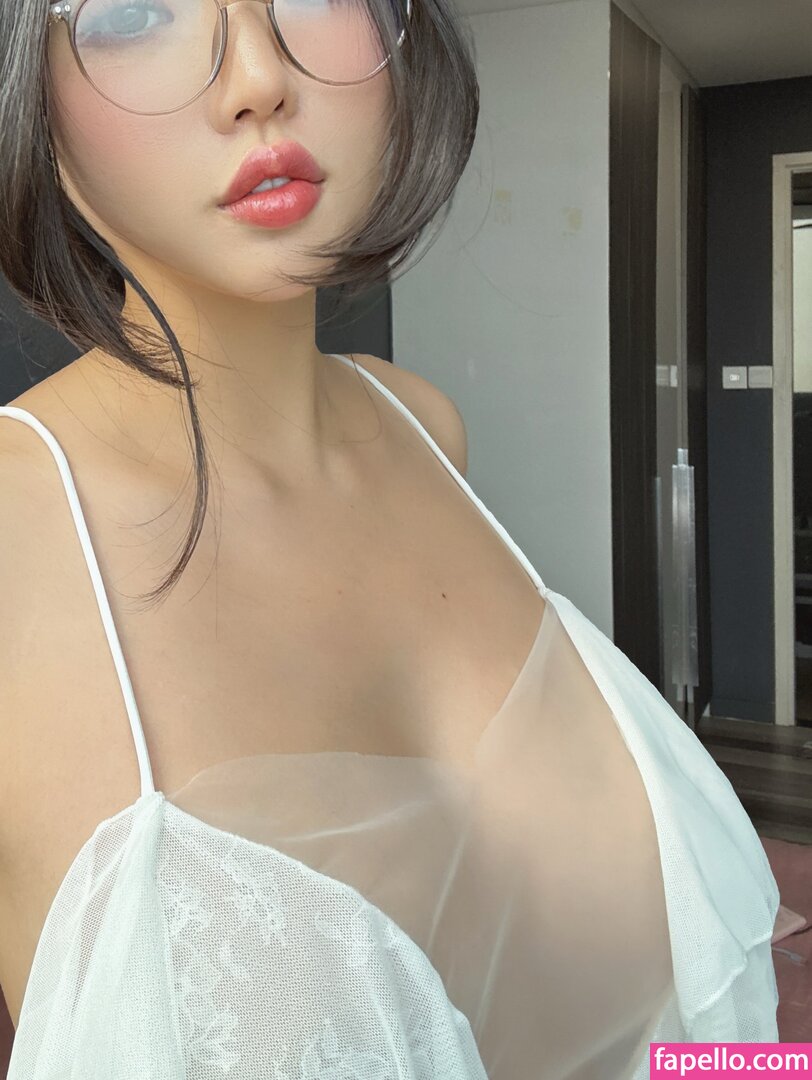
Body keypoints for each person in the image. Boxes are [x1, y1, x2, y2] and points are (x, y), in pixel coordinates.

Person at [0, 0, 779, 1074]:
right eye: (134, 12)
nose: (258, 80)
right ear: (29, 95)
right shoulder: (20, 530)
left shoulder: (425, 427)